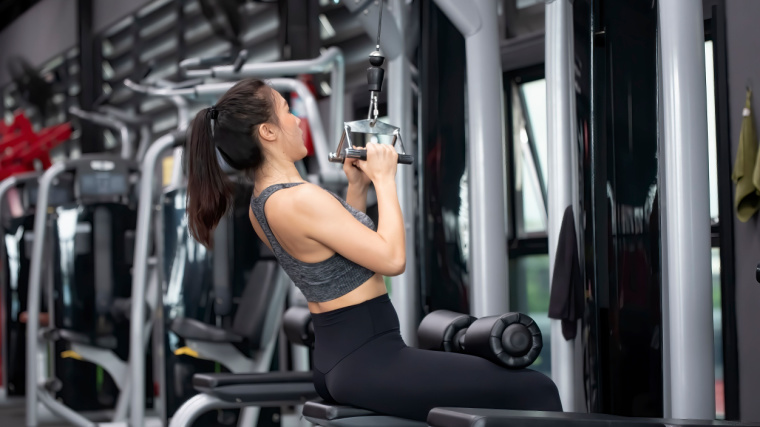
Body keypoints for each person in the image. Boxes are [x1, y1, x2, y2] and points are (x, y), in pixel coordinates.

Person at [185, 78, 562, 421]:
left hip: (343, 360)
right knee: (537, 390)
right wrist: (385, 180)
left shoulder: (261, 205)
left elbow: (340, 257)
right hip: (373, 361)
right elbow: (391, 259)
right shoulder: (300, 198)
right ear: (267, 131)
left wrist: (357, 188)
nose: (298, 120)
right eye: (288, 110)